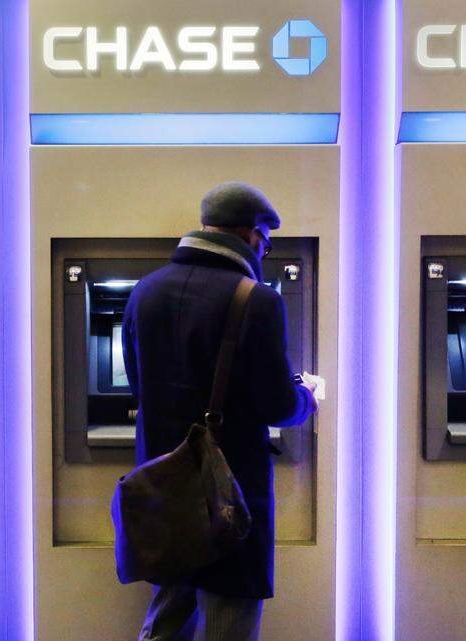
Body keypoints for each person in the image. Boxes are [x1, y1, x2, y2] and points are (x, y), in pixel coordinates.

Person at [122, 181, 319, 641]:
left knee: (171, 603)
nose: (265, 253)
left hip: (164, 478)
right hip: (230, 485)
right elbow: (276, 404)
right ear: (251, 234)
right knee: (231, 608)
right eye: (266, 243)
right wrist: (305, 397)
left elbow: (138, 386)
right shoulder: (256, 300)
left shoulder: (144, 292)